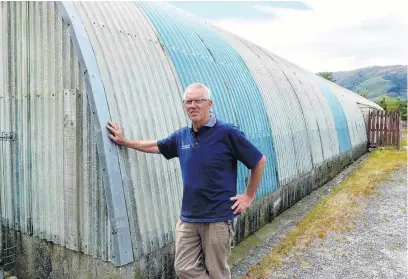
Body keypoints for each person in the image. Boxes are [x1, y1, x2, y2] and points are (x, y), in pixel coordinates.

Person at [107, 83, 266, 279]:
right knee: (184, 268)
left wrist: (249, 196)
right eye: (188, 101)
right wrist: (125, 141)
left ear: (209, 103)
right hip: (189, 217)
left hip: (217, 217)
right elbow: (156, 146)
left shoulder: (226, 132)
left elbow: (259, 161)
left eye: (198, 100)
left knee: (217, 271)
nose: (193, 105)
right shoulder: (182, 136)